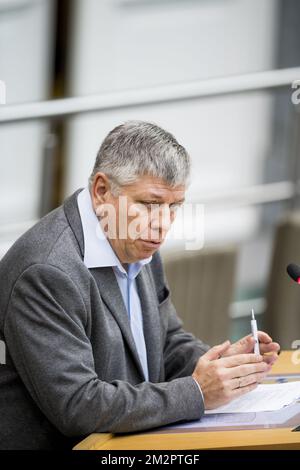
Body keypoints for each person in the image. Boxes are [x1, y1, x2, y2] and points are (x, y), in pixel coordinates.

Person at [0, 121, 280, 450]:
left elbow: (165, 341)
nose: (162, 225)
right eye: (149, 204)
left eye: (174, 206)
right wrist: (198, 392)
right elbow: (78, 406)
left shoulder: (136, 239)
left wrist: (222, 367)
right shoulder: (46, 272)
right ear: (102, 191)